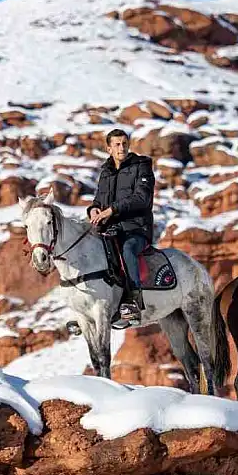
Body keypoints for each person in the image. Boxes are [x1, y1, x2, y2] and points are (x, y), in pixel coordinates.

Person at [88, 128, 155, 326]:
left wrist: (111, 210)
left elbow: (142, 198)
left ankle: (133, 302)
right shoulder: (105, 172)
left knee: (127, 250)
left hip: (136, 229)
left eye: (124, 143)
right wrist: (93, 210)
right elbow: (98, 200)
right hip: (110, 230)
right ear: (109, 148)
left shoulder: (142, 166)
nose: (121, 147)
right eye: (117, 144)